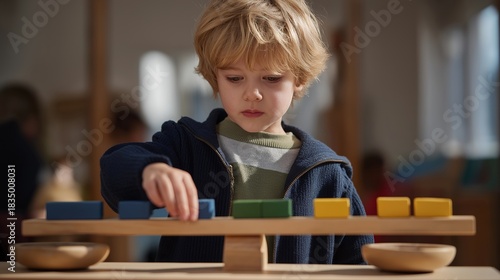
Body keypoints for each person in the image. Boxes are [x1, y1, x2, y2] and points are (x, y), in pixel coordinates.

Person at [100, 0, 373, 264]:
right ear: (213, 76)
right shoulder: (186, 144)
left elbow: (358, 262)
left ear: (299, 79)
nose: (252, 94)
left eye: (271, 78)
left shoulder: (327, 173)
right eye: (234, 78)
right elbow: (114, 172)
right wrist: (150, 170)